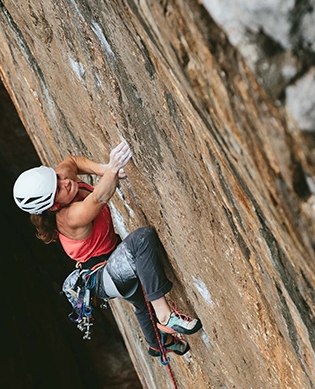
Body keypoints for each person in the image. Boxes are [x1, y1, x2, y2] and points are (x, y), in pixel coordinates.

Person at [12, 140, 201, 357]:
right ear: (53, 206)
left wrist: (103, 169)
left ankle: (158, 343)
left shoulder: (61, 180)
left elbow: (73, 161)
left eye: (57, 178)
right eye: (58, 188)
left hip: (112, 261)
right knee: (141, 240)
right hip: (103, 275)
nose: (65, 182)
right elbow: (100, 197)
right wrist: (112, 169)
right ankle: (165, 317)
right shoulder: (69, 217)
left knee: (141, 301)